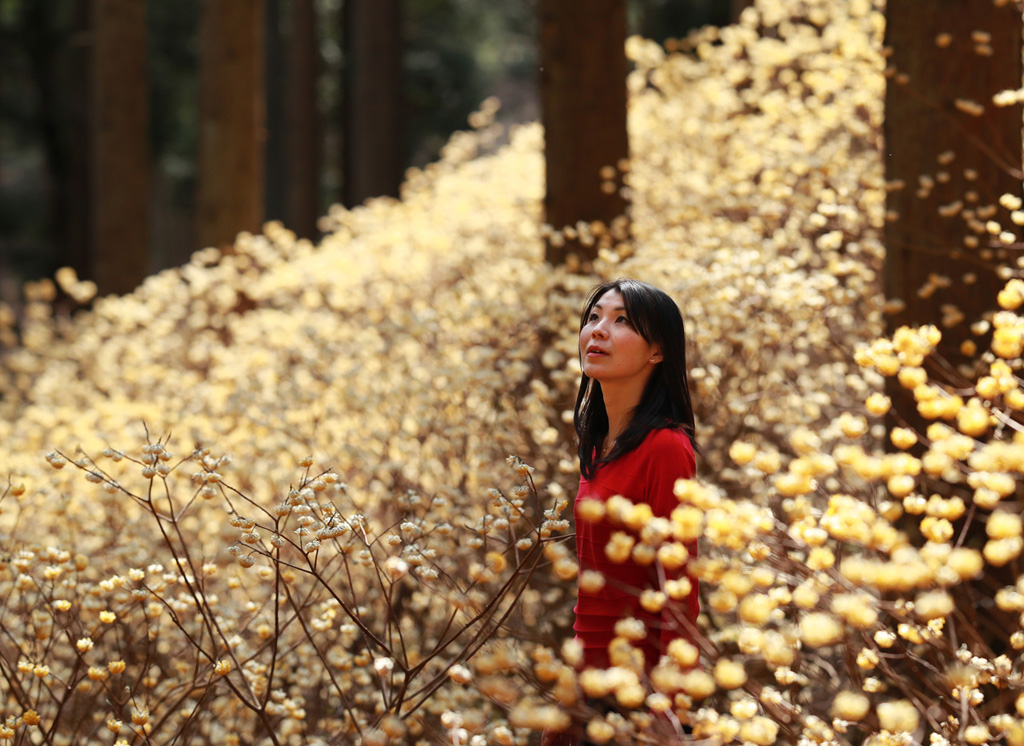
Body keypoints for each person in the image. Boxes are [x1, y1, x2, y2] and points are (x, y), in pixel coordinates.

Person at [544, 278, 701, 746]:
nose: (598, 331)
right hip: (589, 681)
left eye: (621, 322)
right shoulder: (600, 445)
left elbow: (680, 587)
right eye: (593, 318)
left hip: (640, 692)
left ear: (658, 352)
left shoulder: (667, 448)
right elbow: (595, 594)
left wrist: (669, 703)